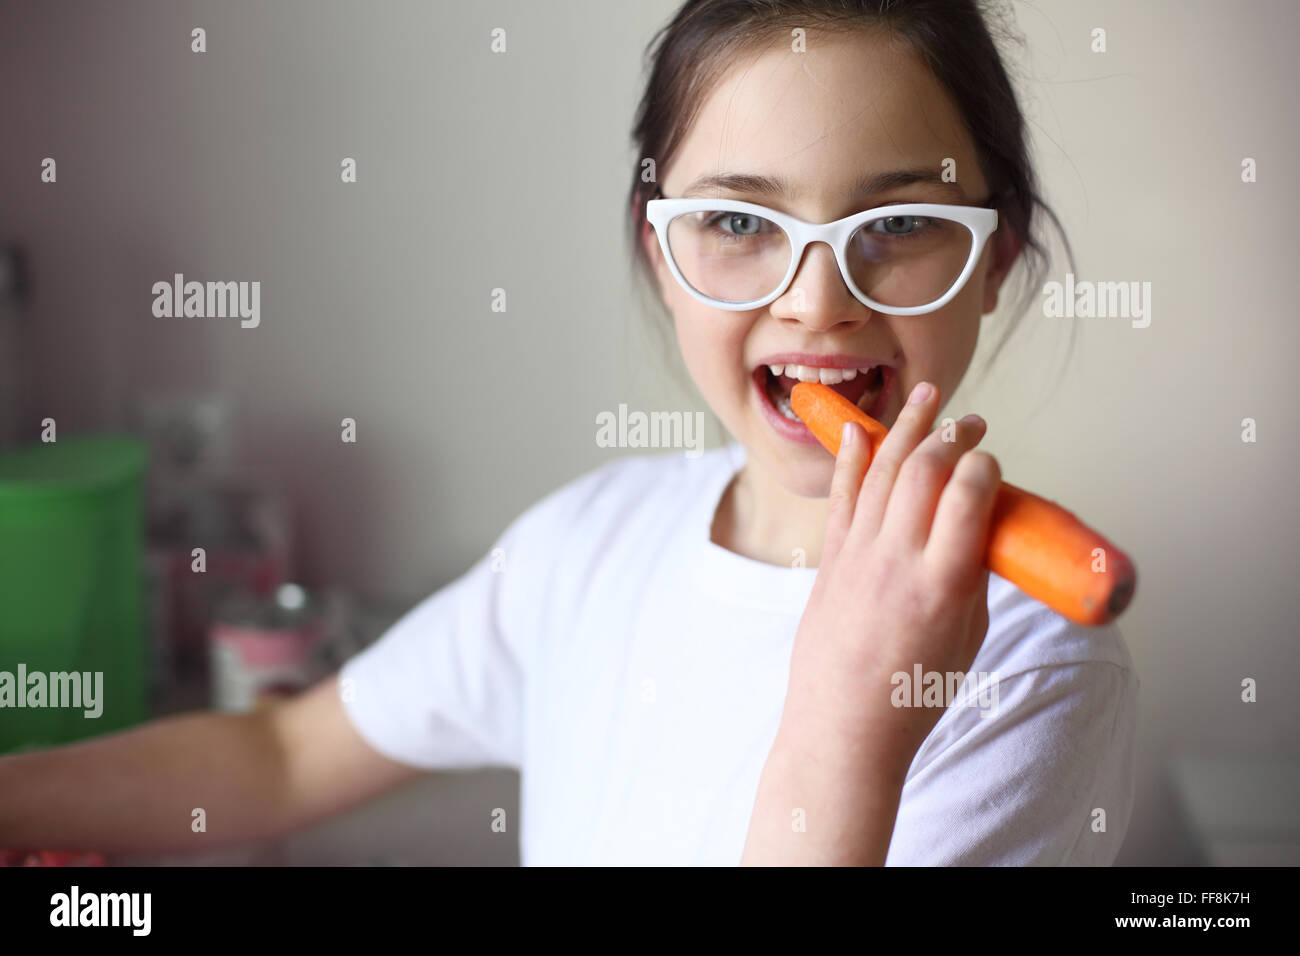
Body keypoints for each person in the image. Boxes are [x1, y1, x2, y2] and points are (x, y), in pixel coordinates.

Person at [0, 0, 1137, 866]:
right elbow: (279, 755)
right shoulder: (591, 542)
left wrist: (851, 713)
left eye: (895, 224)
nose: (814, 300)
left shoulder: (1033, 664)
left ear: (991, 260)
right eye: (737, 221)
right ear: (662, 252)